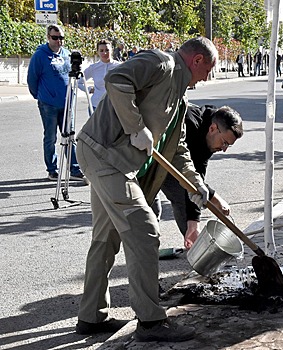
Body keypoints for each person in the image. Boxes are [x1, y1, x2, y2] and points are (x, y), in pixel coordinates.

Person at [74, 36, 218, 342]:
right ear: (197, 61)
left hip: (111, 161)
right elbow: (116, 79)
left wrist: (196, 184)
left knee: (106, 237)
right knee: (144, 228)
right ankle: (151, 322)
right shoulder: (161, 63)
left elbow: (177, 151)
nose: (208, 77)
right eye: (209, 69)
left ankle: (91, 316)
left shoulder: (179, 100)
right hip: (104, 154)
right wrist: (135, 127)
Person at [144, 104, 244, 248]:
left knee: (183, 198)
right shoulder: (189, 124)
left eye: (228, 145)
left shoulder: (210, 137)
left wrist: (193, 222)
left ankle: (194, 244)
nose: (224, 149)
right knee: (149, 209)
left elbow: (196, 177)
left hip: (170, 163)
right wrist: (213, 197)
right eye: (224, 143)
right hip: (145, 159)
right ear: (213, 128)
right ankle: (145, 253)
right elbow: (189, 177)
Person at [27, 24, 87, 183]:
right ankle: (52, 170)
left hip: (67, 103)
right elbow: (32, 79)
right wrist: (40, 96)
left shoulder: (67, 54)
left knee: (70, 136)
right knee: (50, 137)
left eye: (61, 38)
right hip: (48, 104)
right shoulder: (40, 56)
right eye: (55, 37)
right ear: (48, 37)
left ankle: (74, 168)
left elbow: (74, 77)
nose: (59, 41)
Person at [78, 39, 120, 110]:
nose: (105, 53)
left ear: (111, 50)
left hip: (114, 106)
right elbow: (79, 82)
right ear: (97, 52)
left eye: (107, 50)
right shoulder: (93, 68)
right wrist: (89, 89)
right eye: (101, 51)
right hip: (96, 105)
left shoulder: (119, 66)